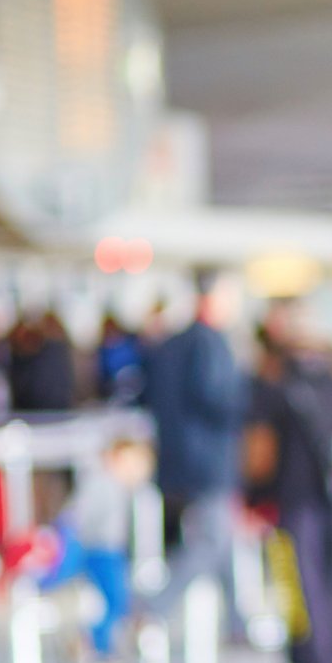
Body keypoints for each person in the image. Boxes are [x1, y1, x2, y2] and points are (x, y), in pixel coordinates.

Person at [242, 301, 332, 663]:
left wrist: (255, 494)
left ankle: (310, 652)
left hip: (292, 489)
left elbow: (260, 445)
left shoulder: (275, 379)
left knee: (296, 570)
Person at [142, 271, 247, 634]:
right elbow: (219, 400)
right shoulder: (208, 343)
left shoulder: (174, 343)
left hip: (185, 460)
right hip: (208, 462)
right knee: (211, 542)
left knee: (225, 543)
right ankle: (149, 608)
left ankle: (238, 623)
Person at [33, 436, 155, 659]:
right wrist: (67, 537)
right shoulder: (101, 483)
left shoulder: (126, 490)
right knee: (114, 596)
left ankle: (97, 643)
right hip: (99, 549)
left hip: (109, 550)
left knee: (115, 599)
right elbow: (77, 515)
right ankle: (94, 643)